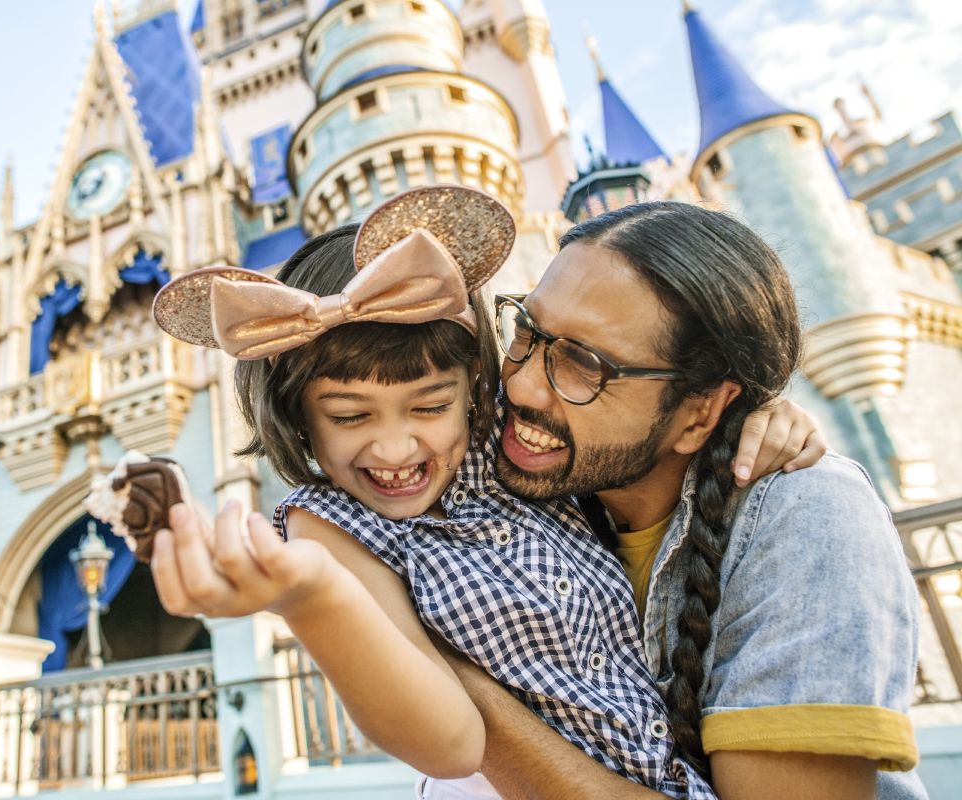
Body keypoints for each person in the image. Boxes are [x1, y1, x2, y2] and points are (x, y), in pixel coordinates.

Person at [142, 187, 825, 798]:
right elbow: (452, 744)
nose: (395, 449)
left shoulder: (510, 450)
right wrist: (312, 596)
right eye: (350, 417)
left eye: (430, 406)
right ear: (297, 418)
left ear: (476, 387)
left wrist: (766, 417)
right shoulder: (330, 526)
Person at [441, 200, 927, 799]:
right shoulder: (525, 478)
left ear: (701, 412)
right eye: (526, 330)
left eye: (585, 363)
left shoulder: (809, 518)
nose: (520, 383)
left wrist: (447, 682)